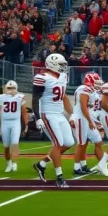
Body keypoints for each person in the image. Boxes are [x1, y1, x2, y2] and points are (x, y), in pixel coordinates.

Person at [32, 53, 76, 188]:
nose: (64, 67)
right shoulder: (42, 77)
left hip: (59, 114)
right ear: (52, 65)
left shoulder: (63, 77)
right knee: (57, 144)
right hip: (48, 114)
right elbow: (35, 99)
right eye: (61, 64)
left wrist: (72, 114)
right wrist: (38, 118)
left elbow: (64, 97)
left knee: (69, 142)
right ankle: (59, 177)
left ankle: (42, 164)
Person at [71, 72, 104, 176]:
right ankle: (77, 168)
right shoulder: (84, 89)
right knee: (81, 143)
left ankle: (85, 165)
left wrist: (93, 120)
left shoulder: (92, 91)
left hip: (86, 118)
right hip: (81, 118)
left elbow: (91, 108)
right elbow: (83, 107)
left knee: (97, 140)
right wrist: (90, 121)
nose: (98, 85)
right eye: (96, 82)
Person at [0, 80, 28, 173]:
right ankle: (8, 163)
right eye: (9, 88)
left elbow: (24, 112)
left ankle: (15, 163)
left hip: (15, 122)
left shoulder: (20, 97)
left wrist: (26, 124)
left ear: (16, 88)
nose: (10, 90)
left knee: (15, 143)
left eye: (12, 88)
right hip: (5, 122)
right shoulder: (1, 97)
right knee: (6, 146)